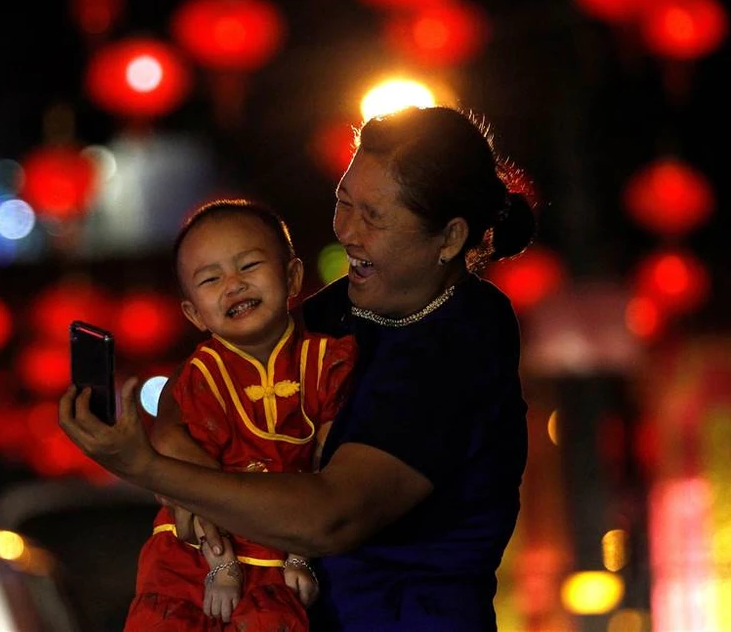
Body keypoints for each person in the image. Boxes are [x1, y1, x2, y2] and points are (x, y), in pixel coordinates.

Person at [60, 105, 536, 630]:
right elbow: (206, 376)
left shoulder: (464, 336)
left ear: (448, 239)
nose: (347, 231)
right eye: (343, 202)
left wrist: (147, 468)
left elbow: (333, 516)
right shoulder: (345, 309)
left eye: (372, 216)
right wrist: (183, 452)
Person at [122, 199, 357, 631]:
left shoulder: (327, 362)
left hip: (278, 550)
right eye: (211, 279)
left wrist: (299, 556)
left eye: (249, 266)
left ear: (292, 277)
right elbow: (190, 485)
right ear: (193, 313)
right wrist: (222, 565)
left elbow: (323, 468)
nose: (233, 286)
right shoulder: (199, 378)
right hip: (195, 560)